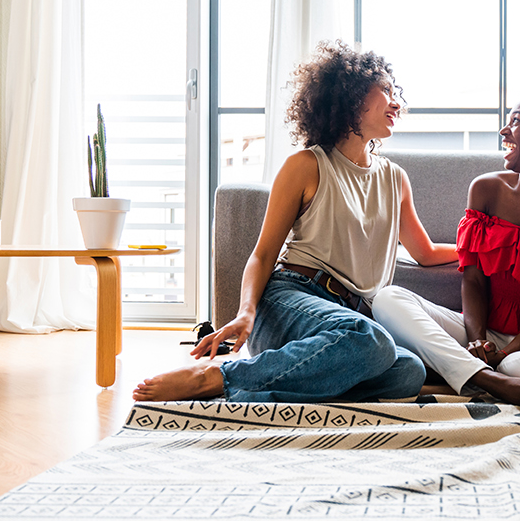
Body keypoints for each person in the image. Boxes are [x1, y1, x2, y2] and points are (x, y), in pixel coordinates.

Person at [132, 42, 456, 403]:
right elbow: (263, 254)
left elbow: (425, 253)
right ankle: (217, 377)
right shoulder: (306, 165)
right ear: (350, 97)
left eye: (397, 94)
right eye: (386, 91)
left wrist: (486, 250)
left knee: (407, 372)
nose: (396, 102)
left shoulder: (395, 178)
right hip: (291, 300)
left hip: (346, 322)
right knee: (371, 340)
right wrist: (245, 314)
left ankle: (253, 393)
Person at [372, 88, 520, 413]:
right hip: (477, 331)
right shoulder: (485, 189)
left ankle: (461, 369)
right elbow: (473, 281)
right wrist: (476, 340)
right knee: (388, 300)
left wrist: (510, 350)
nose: (504, 130)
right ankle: (491, 379)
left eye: (516, 121)